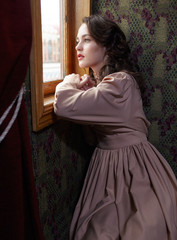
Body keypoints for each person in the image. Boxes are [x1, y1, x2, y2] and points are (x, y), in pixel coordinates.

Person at [54, 15, 177, 240]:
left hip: (132, 169)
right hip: (106, 165)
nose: (77, 46)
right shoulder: (108, 85)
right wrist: (87, 94)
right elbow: (92, 139)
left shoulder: (119, 84)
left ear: (107, 46)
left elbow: (62, 105)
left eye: (86, 40)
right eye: (76, 40)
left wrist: (70, 82)